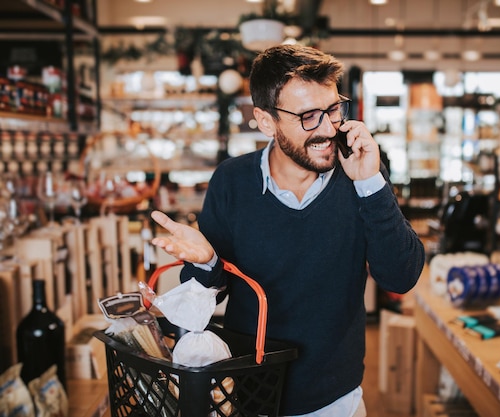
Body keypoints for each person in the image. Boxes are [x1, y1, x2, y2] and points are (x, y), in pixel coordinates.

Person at [150, 44, 425, 417]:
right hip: (249, 395)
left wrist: (371, 184)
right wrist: (207, 262)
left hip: (336, 400)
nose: (328, 129)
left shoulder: (359, 173)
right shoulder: (232, 181)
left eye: (333, 110)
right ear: (266, 121)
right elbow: (208, 296)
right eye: (309, 116)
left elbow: (401, 277)